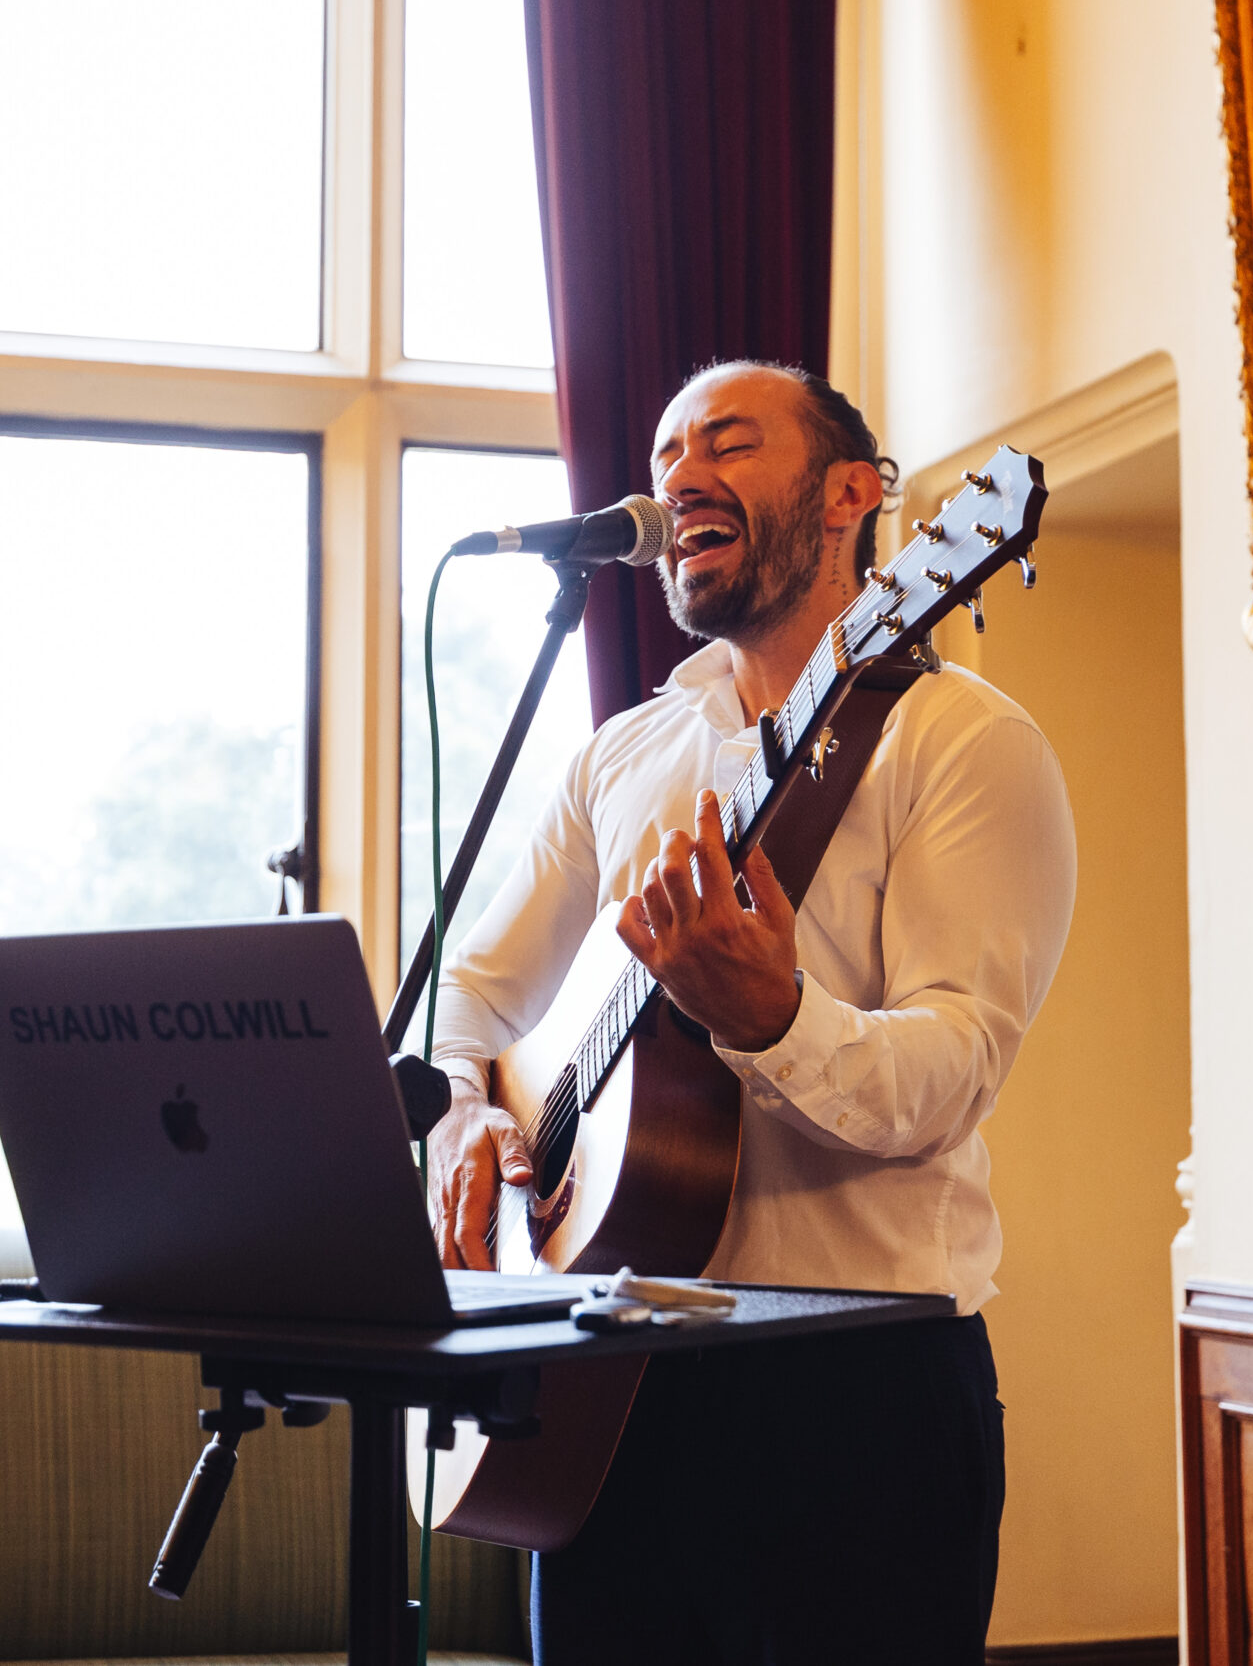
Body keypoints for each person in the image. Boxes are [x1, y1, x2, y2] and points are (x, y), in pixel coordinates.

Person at [424, 360, 1078, 1664]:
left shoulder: (963, 743)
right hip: (603, 1384)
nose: (679, 477)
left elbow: (953, 1070)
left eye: (727, 442)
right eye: (667, 454)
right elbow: (464, 994)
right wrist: (467, 1132)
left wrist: (772, 1017)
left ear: (850, 496)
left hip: (856, 1398)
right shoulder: (622, 752)